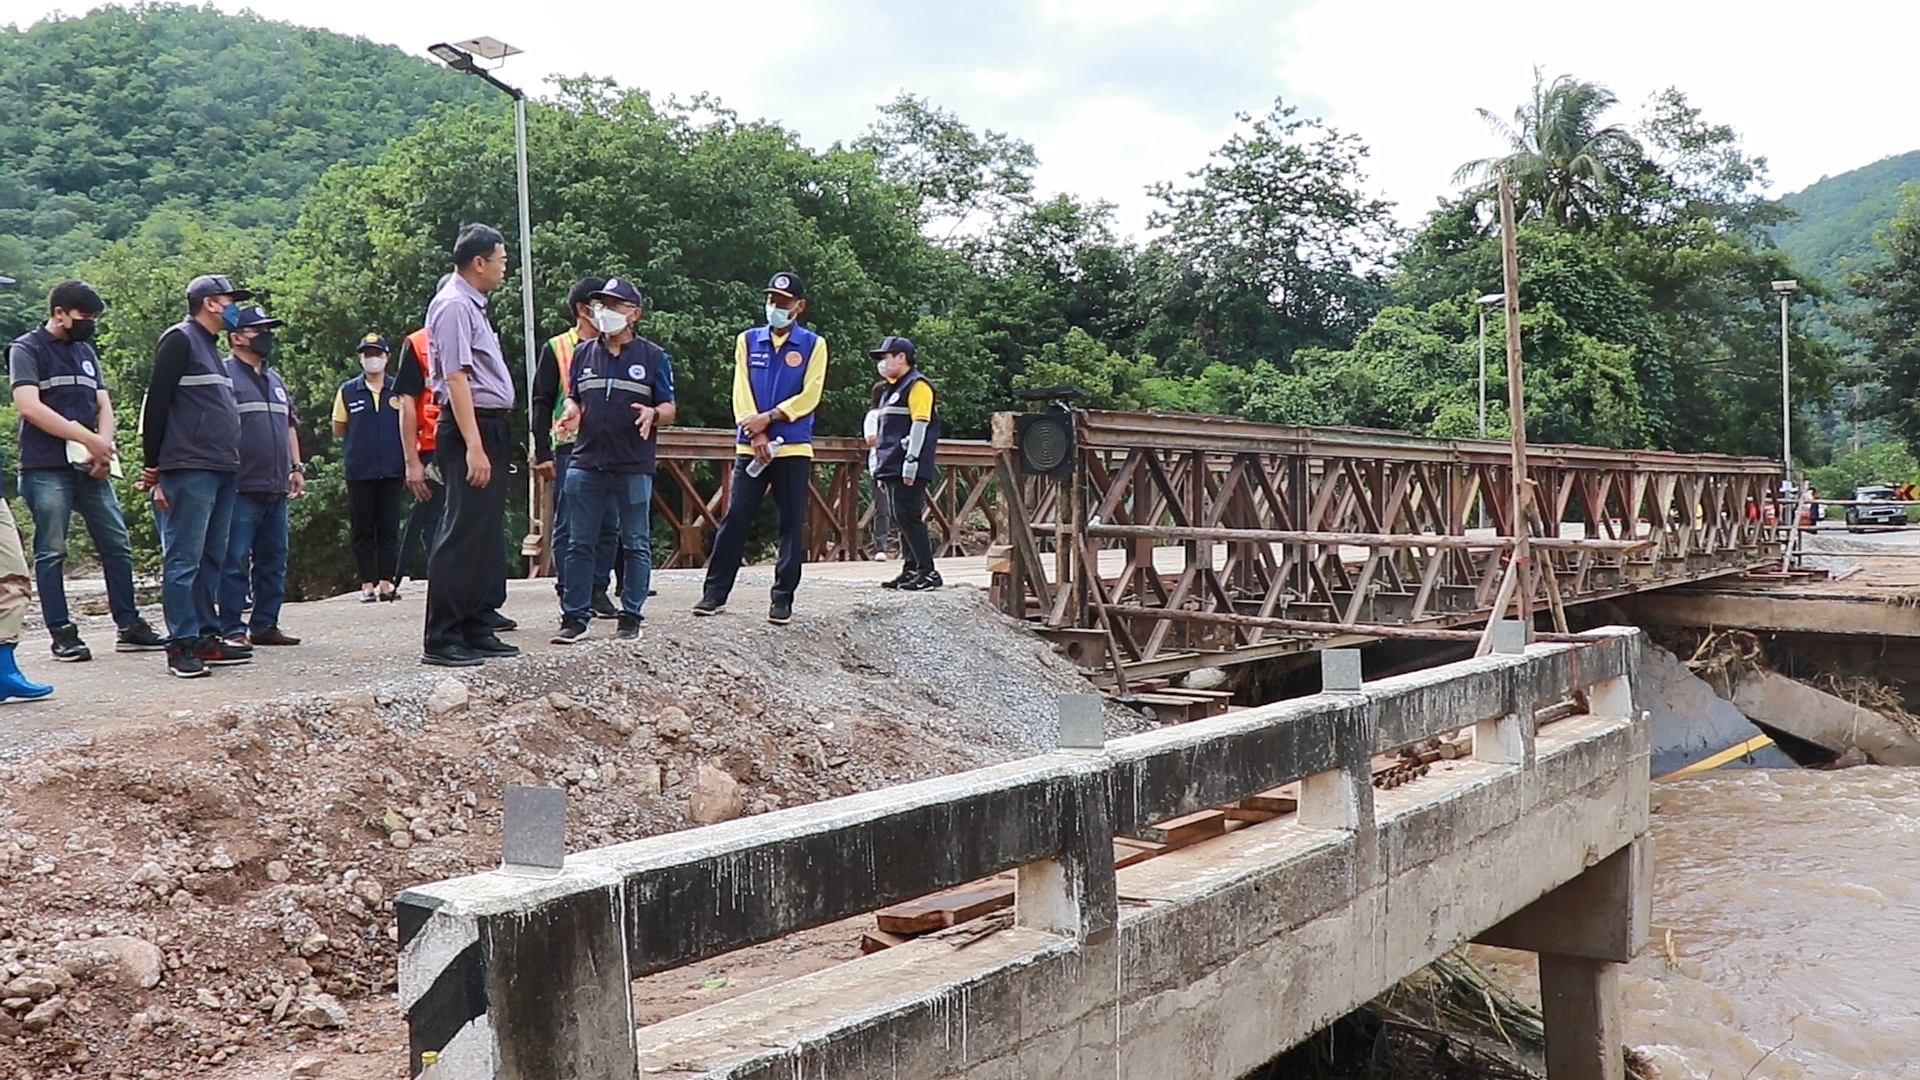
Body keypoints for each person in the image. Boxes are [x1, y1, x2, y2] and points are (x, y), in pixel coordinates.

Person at [9, 279, 166, 661]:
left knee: (116, 543)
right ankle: (62, 633)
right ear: (59, 313)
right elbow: (29, 406)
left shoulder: (85, 351)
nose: (89, 323)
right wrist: (87, 438)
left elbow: (102, 404)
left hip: (90, 465)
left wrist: (102, 448)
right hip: (45, 466)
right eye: (84, 316)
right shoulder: (26, 349)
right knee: (52, 550)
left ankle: (129, 624)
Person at [693, 271, 827, 626]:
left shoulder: (813, 344)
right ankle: (714, 593)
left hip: (793, 445)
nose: (775, 307)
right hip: (751, 444)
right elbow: (741, 389)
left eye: (783, 302)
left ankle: (782, 598)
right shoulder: (748, 340)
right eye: (771, 300)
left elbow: (811, 394)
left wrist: (770, 418)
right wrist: (754, 432)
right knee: (736, 516)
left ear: (799, 306)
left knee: (790, 524)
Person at [140, 274, 253, 678]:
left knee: (211, 557)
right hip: (189, 465)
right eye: (229, 300)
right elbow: (157, 402)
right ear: (210, 303)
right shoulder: (180, 339)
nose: (234, 308)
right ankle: (180, 644)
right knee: (184, 557)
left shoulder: (210, 347)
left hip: (221, 466)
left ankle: (207, 636)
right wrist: (152, 465)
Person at [550, 277, 674, 644]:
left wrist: (653, 414)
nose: (605, 312)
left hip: (632, 462)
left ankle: (630, 616)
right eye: (602, 304)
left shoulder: (653, 357)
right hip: (586, 460)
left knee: (635, 541)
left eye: (616, 306)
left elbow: (669, 406)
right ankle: (574, 617)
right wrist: (572, 410)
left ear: (634, 314)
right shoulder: (583, 353)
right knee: (578, 542)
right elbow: (573, 396)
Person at [421, 224, 520, 667]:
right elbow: (456, 379)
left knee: (483, 534)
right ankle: (442, 636)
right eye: (501, 259)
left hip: (490, 424)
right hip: (469, 426)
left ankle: (475, 625)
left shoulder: (474, 306)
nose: (504, 268)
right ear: (478, 262)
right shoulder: (454, 305)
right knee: (461, 533)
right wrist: (473, 446)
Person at [530, 277, 621, 619]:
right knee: (570, 523)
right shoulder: (557, 348)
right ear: (583, 309)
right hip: (571, 447)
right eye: (603, 305)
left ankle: (597, 588)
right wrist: (542, 451)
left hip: (612, 447)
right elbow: (541, 401)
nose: (610, 311)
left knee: (609, 523)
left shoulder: (618, 345)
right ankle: (570, 590)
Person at [215, 304, 305, 648]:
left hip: (276, 484)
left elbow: (289, 424)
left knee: (273, 558)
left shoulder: (275, 379)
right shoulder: (224, 375)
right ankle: (231, 627)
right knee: (234, 559)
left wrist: (296, 467)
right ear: (237, 337)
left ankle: (266, 624)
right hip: (240, 485)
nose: (266, 336)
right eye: (258, 330)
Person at [332, 334, 407, 603]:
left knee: (388, 527)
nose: (372, 359)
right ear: (360, 358)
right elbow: (339, 427)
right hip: (360, 469)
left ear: (387, 357)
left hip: (393, 468)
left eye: (377, 354)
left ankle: (386, 582)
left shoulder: (399, 388)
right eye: (367, 354)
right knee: (362, 529)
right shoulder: (348, 390)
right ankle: (367, 583)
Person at [868, 336, 943, 591]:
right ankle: (910, 569)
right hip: (891, 463)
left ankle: (927, 571)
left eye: (885, 357)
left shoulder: (917, 385)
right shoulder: (889, 389)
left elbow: (919, 424)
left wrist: (911, 460)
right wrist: (881, 467)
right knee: (899, 517)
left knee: (909, 516)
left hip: (908, 462)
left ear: (901, 357)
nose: (882, 363)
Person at [392, 322, 442, 582]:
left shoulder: (476, 334)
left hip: (471, 444)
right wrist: (412, 461)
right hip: (433, 446)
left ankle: (470, 591)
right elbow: (407, 404)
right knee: (433, 521)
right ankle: (444, 587)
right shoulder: (418, 343)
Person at [863, 380, 896, 562]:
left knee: (903, 507)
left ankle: (907, 548)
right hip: (879, 465)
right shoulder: (874, 415)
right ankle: (880, 547)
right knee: (882, 508)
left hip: (898, 463)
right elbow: (869, 440)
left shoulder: (898, 414)